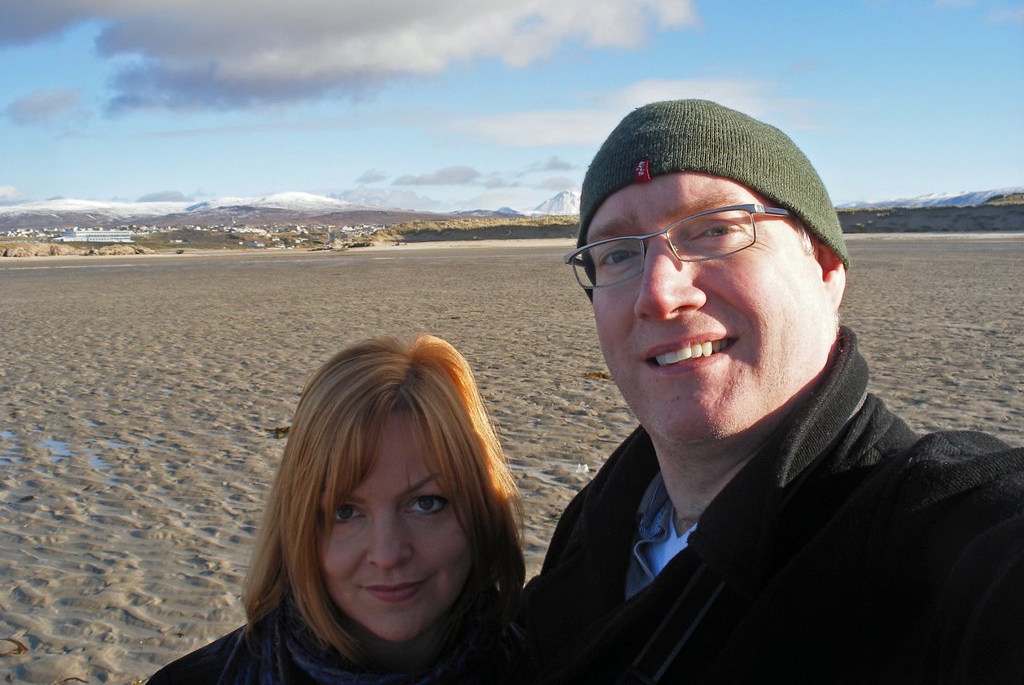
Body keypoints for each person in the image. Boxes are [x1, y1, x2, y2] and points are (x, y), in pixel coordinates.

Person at [518, 99, 1024, 683]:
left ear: (827, 267)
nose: (658, 293)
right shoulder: (597, 523)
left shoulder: (919, 536)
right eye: (619, 253)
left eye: (715, 230)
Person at [150, 334, 524, 684]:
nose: (388, 554)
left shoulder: (552, 661)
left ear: (482, 509)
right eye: (344, 512)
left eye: (427, 504)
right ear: (297, 524)